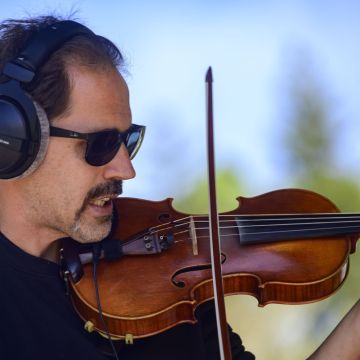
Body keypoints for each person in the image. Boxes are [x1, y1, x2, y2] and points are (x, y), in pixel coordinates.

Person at [0, 14, 359, 360]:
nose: (127, 170)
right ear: (15, 138)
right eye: (103, 143)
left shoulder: (174, 276)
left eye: (130, 139)